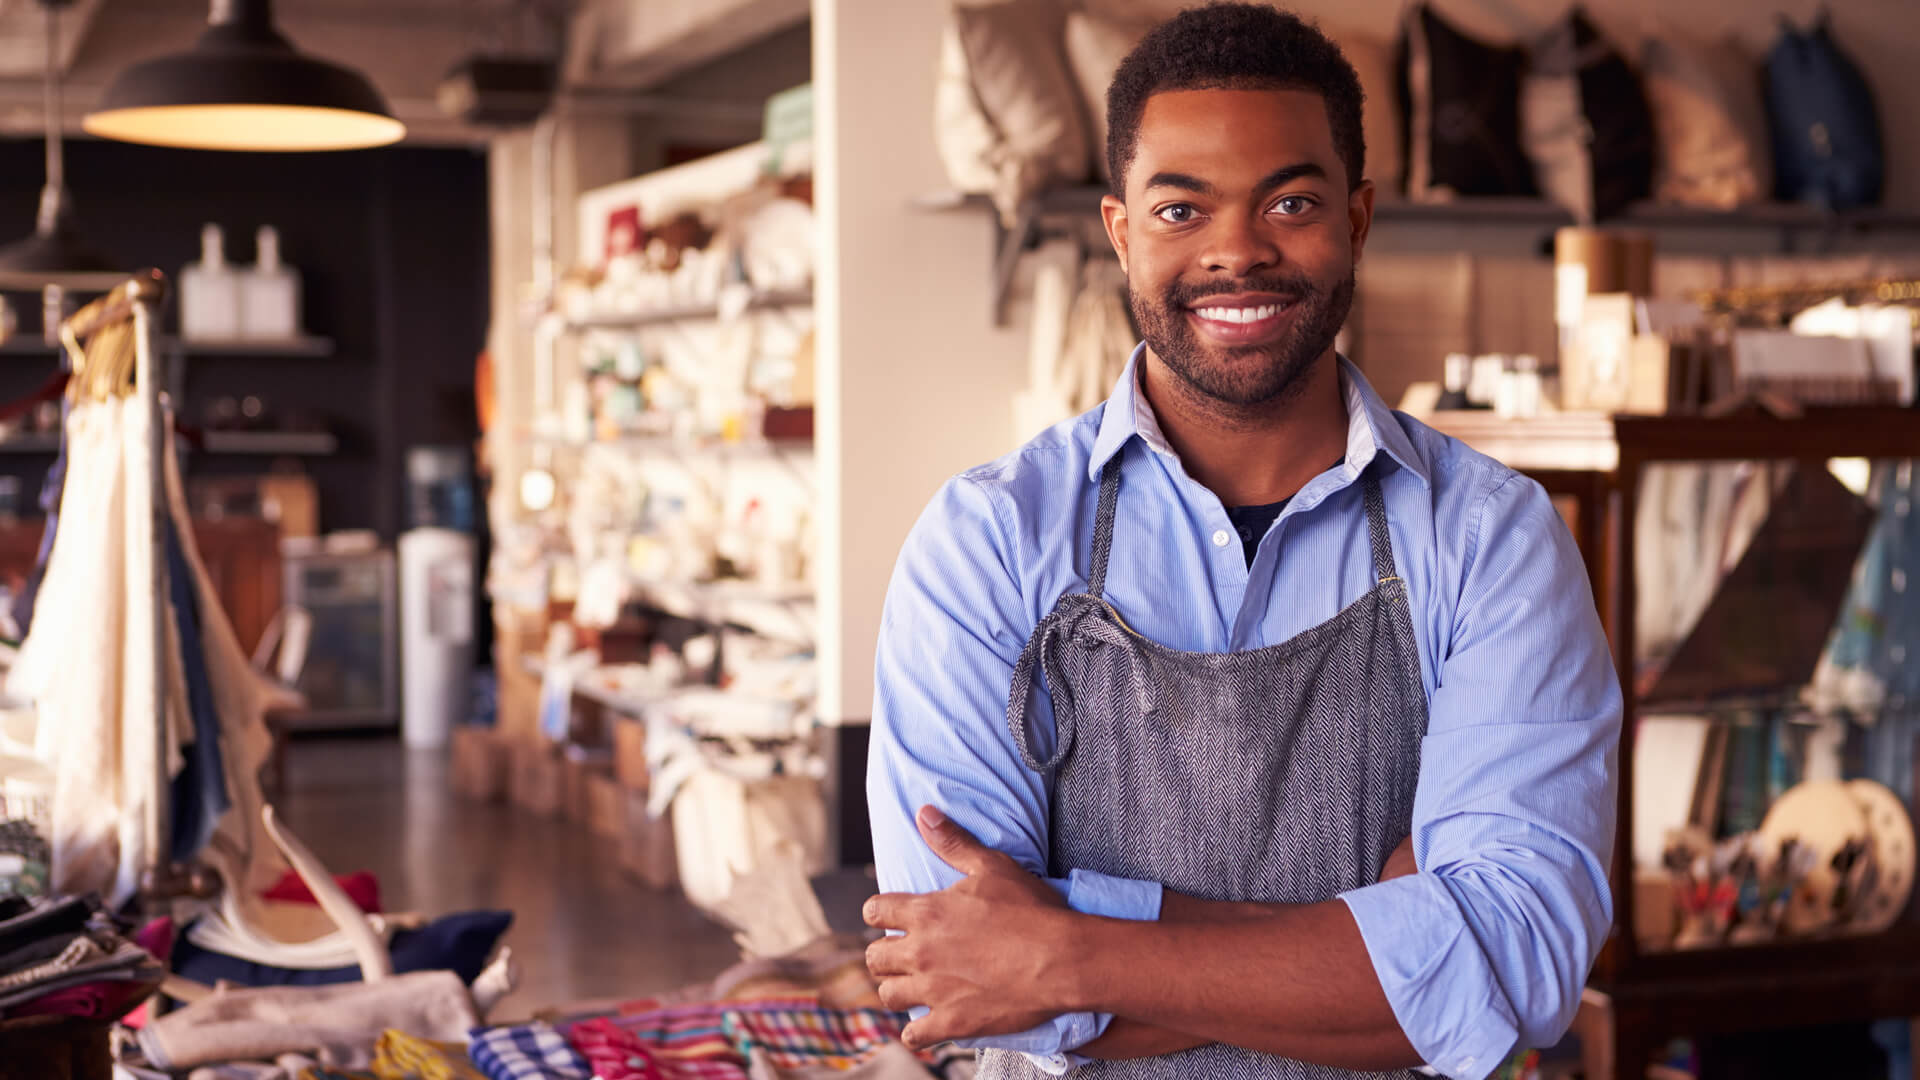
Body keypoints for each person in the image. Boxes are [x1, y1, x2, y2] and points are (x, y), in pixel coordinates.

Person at [862, 5, 1620, 1080]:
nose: (1237, 252)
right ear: (1122, 231)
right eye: (1182, 208)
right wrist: (1389, 930)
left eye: (1291, 202)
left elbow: (1519, 957)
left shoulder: (1492, 537)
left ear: (1356, 219)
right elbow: (960, 980)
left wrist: (1070, 950)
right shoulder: (987, 541)